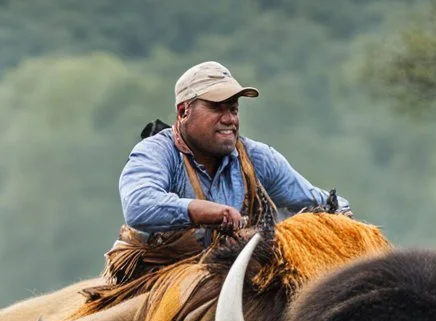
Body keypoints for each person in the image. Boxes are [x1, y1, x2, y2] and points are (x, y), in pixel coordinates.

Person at [108, 61, 349, 283]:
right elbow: (138, 205)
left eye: (233, 109)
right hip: (154, 282)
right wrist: (202, 211)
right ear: (183, 112)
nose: (229, 119)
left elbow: (326, 203)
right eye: (216, 108)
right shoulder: (156, 152)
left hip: (233, 280)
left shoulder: (259, 159)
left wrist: (342, 219)